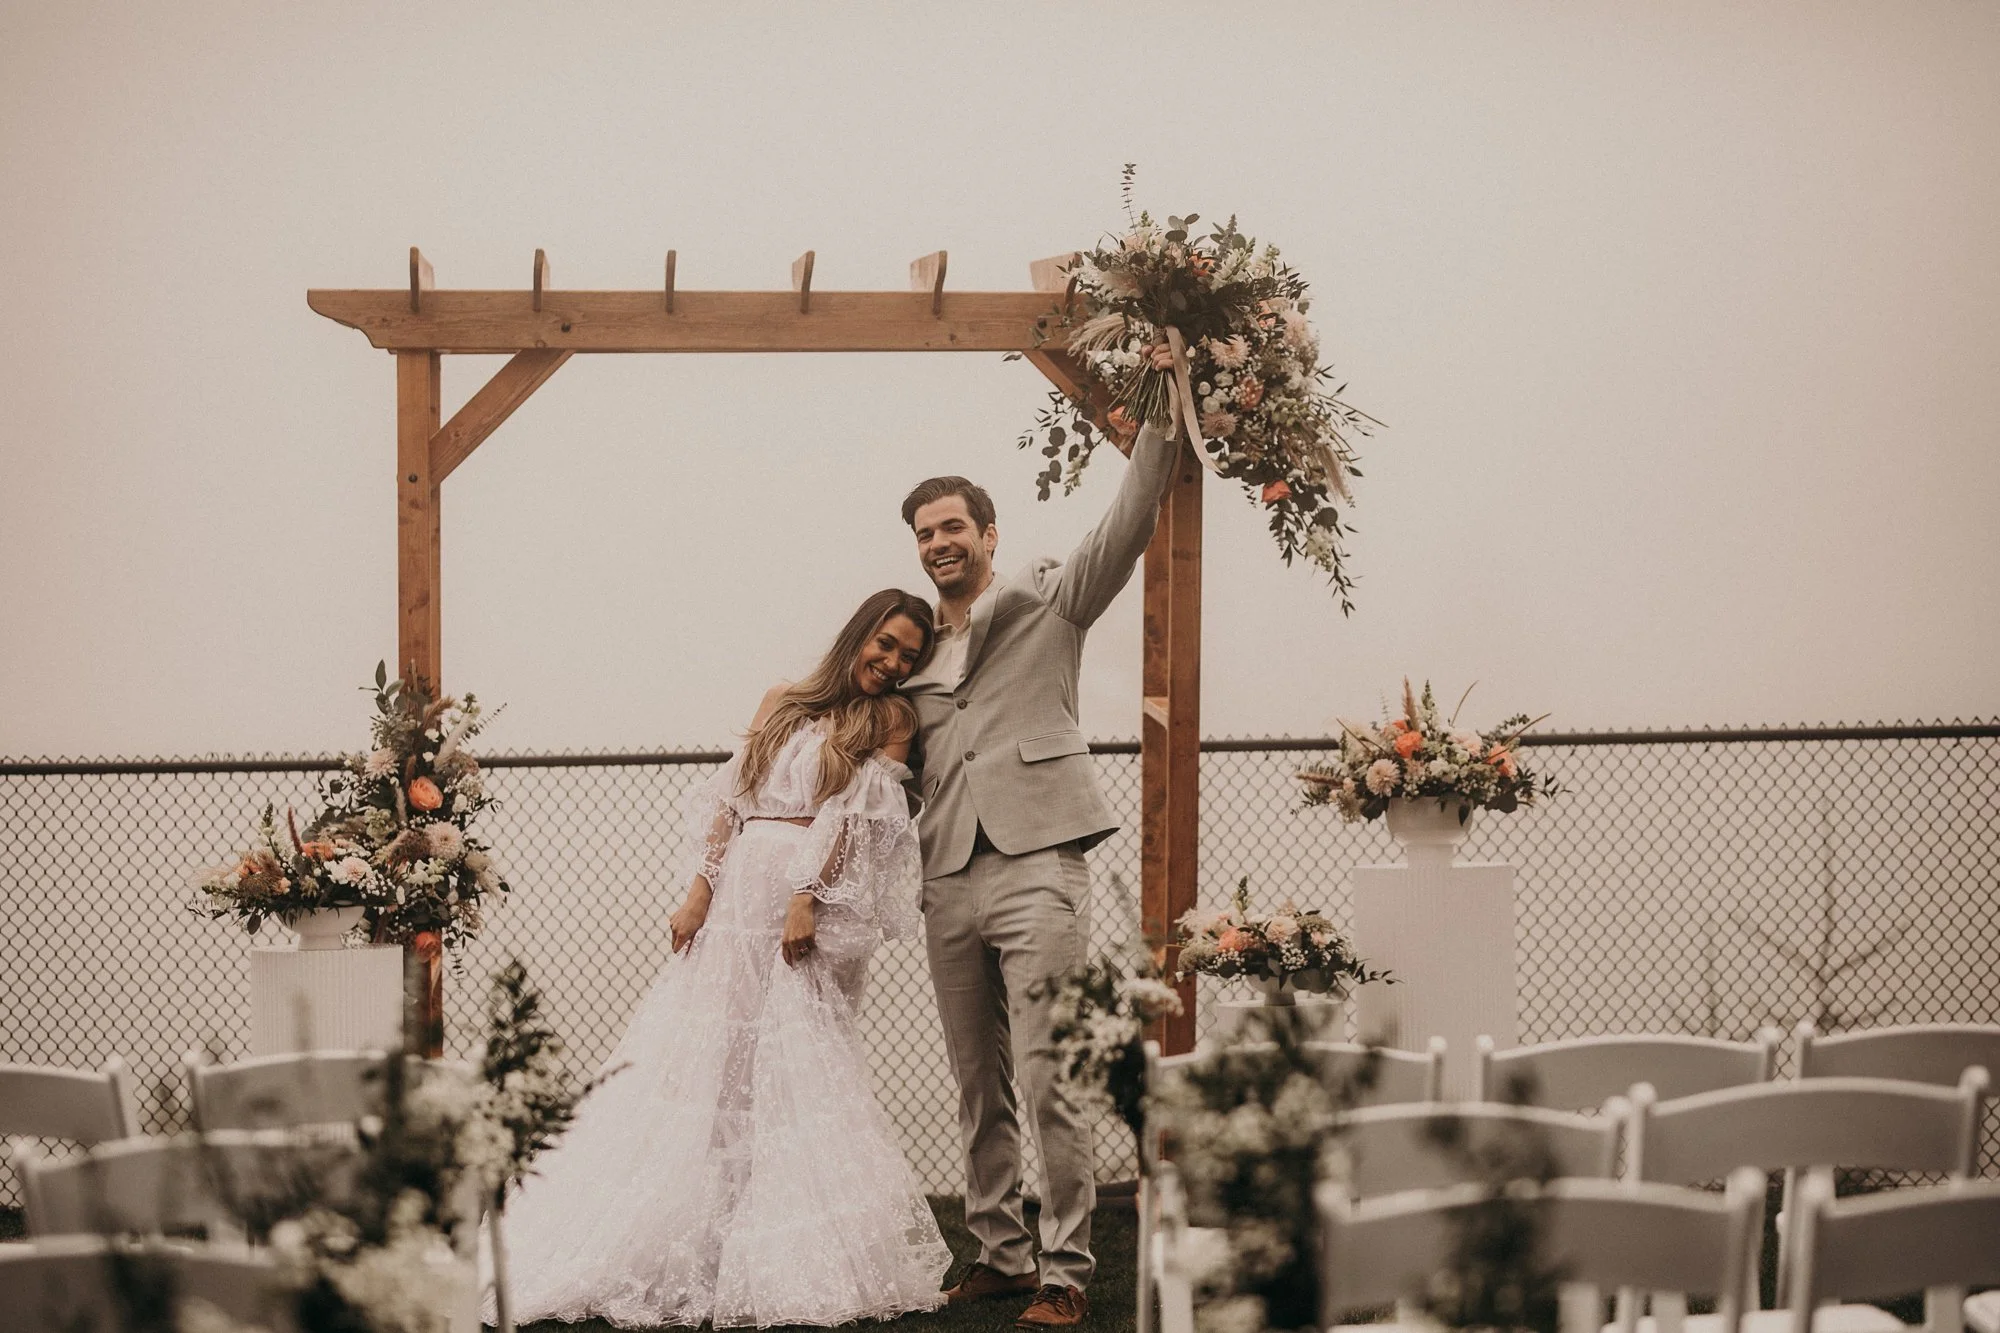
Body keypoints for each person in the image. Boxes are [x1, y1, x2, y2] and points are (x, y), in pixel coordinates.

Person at [488, 589, 952, 1330]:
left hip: (804, 903)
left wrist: (807, 896)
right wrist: (699, 891)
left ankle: (777, 1250)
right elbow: (732, 800)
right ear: (859, 634)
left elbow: (859, 819)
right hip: (737, 899)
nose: (893, 662)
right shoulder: (784, 700)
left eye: (908, 656)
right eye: (886, 643)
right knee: (716, 1063)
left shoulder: (890, 719)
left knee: (792, 1062)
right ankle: (698, 1243)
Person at [900, 418, 1178, 1328]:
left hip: (1038, 865)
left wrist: (1163, 419)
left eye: (953, 526)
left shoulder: (1050, 601)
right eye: (925, 533)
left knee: (1048, 1070)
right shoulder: (911, 653)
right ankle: (1002, 1255)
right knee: (977, 1082)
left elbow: (1127, 524)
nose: (939, 542)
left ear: (988, 534)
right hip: (946, 876)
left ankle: (1065, 1270)